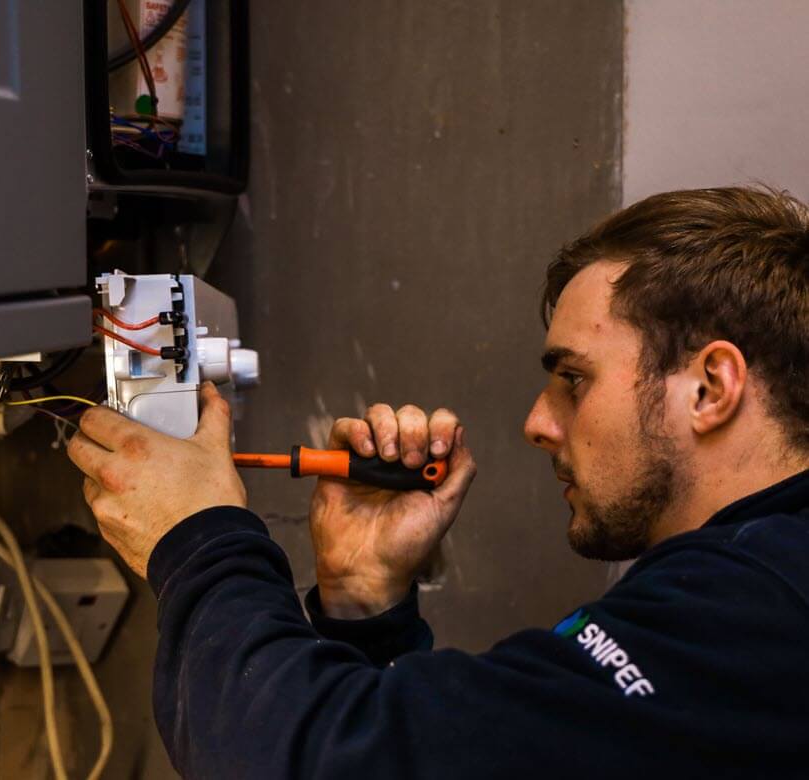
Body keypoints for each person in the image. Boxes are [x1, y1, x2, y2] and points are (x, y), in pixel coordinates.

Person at [67, 186, 809, 778]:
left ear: (711, 387)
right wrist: (363, 600)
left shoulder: (748, 614)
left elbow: (303, 762)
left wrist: (200, 540)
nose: (537, 424)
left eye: (574, 381)